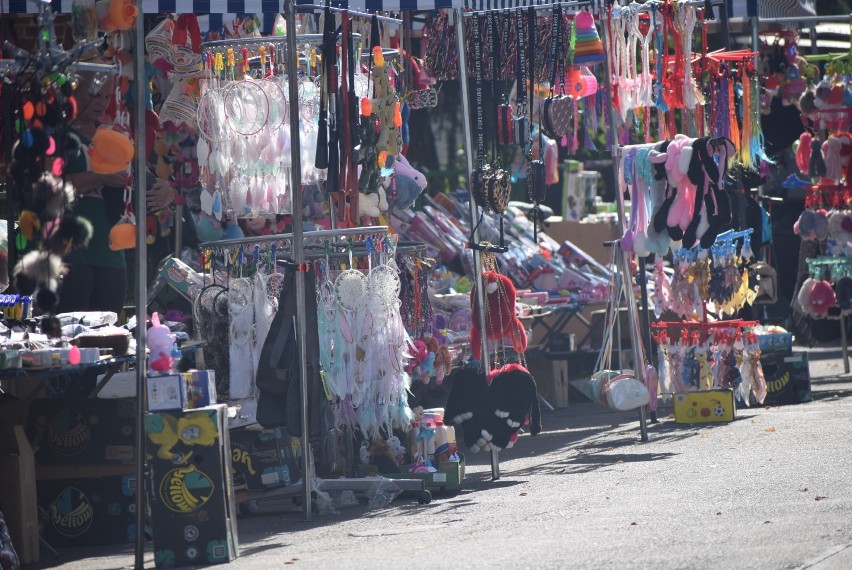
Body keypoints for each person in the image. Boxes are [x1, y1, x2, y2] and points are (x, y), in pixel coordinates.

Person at [57, 71, 129, 316]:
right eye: (94, 94)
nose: (101, 102)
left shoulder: (110, 135)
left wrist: (164, 190)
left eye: (106, 96)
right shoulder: (57, 134)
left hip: (110, 253)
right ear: (72, 91)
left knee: (109, 335)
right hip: (72, 254)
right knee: (72, 334)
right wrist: (99, 177)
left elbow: (139, 177)